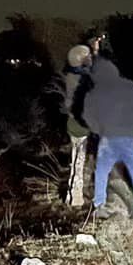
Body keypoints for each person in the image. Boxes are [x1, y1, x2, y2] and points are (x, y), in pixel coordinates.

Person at [81, 50, 133, 231]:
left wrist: (100, 131)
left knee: (102, 171)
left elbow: (88, 118)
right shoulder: (130, 86)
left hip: (110, 138)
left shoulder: (94, 93)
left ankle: (100, 206)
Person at [56, 43, 95, 206]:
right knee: (80, 159)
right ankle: (76, 196)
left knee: (75, 157)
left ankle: (71, 194)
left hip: (71, 122)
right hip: (81, 123)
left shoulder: (69, 76)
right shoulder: (83, 80)